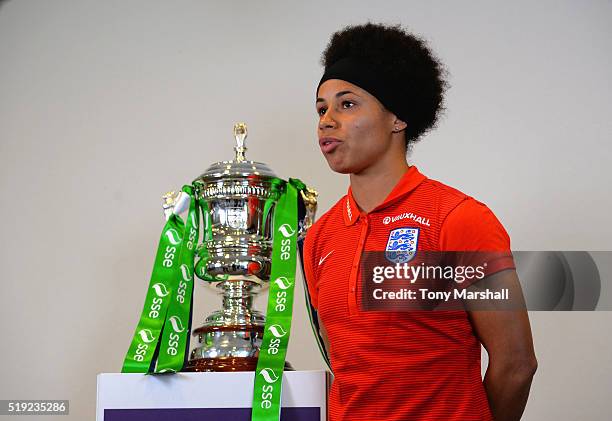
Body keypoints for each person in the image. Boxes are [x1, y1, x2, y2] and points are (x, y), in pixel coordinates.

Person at [302, 23, 537, 421]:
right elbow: (348, 368)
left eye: (347, 104)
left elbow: (515, 366)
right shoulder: (319, 238)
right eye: (322, 108)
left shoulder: (458, 219)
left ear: (397, 118)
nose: (326, 120)